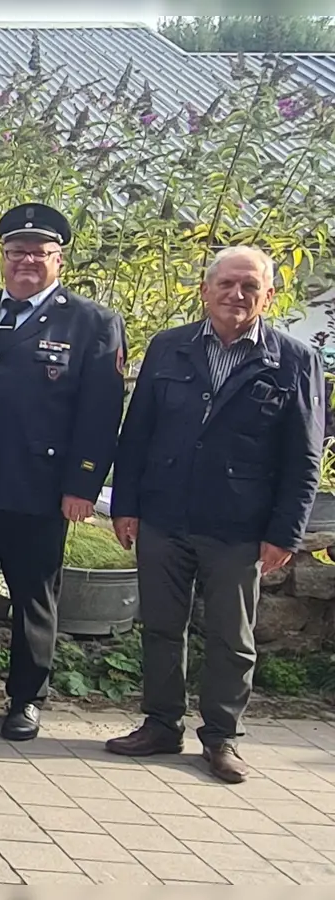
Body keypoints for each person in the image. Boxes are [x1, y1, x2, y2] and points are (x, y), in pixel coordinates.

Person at [105, 246, 322, 783]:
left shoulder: (295, 361)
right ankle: (160, 724)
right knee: (160, 627)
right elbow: (137, 435)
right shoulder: (170, 347)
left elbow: (305, 458)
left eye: (250, 286)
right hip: (163, 515)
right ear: (205, 290)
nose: (237, 295)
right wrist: (126, 506)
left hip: (239, 526)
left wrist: (285, 533)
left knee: (231, 635)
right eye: (226, 284)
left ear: (269, 296)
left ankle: (221, 737)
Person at [0, 203, 126, 742]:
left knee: (35, 592)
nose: (26, 261)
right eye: (17, 252)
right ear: (3, 257)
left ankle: (27, 696)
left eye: (39, 252)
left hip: (41, 486)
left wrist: (83, 484)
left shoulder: (92, 322)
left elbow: (101, 415)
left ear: (59, 259)